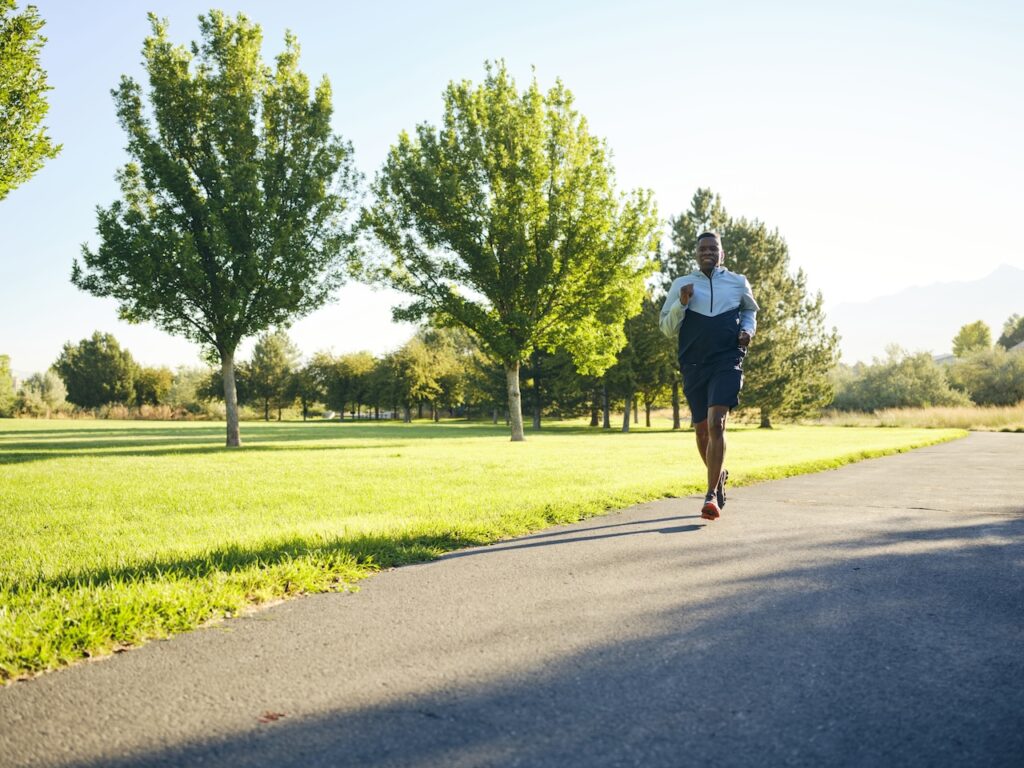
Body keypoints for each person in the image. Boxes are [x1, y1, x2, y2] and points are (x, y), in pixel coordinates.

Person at [660, 231, 759, 520]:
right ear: (695, 253)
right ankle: (719, 475)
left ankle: (711, 495)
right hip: (693, 363)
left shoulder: (737, 282)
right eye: (702, 248)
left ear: (722, 253)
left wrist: (747, 331)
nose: (707, 252)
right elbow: (666, 328)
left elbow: (750, 311)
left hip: (727, 359)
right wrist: (682, 302)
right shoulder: (682, 285)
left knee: (717, 423)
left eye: (713, 248)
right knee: (702, 430)